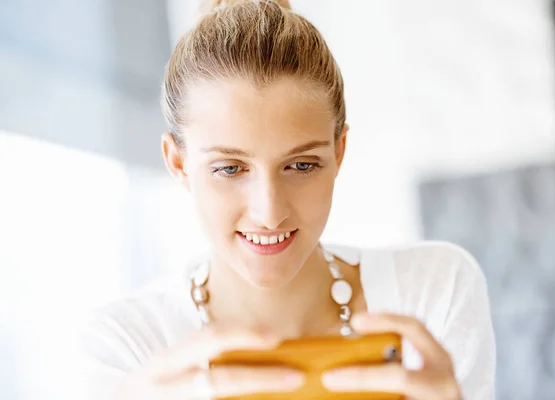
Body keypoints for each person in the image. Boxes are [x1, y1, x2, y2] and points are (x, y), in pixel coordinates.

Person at [79, 0, 496, 399]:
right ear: (179, 164)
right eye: (229, 168)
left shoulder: (435, 292)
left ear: (339, 153)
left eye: (301, 166)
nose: (270, 213)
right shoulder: (127, 347)